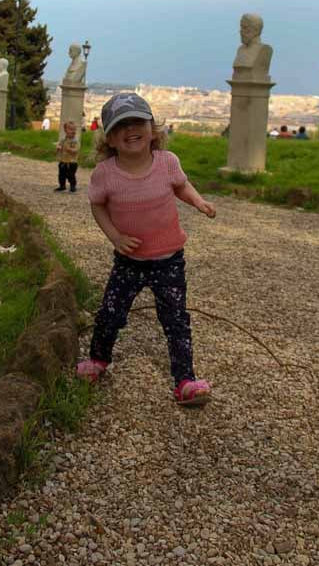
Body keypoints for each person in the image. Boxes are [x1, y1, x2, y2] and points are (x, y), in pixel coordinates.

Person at [77, 92, 215, 406]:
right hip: (128, 261)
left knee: (176, 319)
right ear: (110, 138)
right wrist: (114, 237)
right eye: (121, 126)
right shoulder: (105, 174)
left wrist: (199, 201)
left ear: (153, 129)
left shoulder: (168, 163)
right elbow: (97, 207)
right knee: (110, 313)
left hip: (169, 260)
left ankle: (185, 380)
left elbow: (181, 186)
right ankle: (98, 360)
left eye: (138, 122)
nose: (131, 130)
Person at [55, 120, 79, 193]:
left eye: (74, 129)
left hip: (72, 162)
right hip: (63, 161)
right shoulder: (63, 140)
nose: (73, 131)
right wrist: (58, 147)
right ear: (65, 130)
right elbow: (59, 145)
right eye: (71, 129)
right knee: (61, 174)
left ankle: (73, 186)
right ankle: (62, 185)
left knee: (71, 175)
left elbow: (76, 149)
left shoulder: (75, 141)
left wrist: (71, 149)